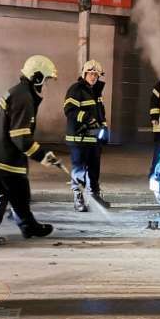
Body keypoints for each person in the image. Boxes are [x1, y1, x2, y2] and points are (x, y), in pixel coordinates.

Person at [0, 55, 61, 245]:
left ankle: (28, 226)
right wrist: (43, 156)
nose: (46, 85)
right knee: (4, 195)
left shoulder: (21, 92)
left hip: (1, 152)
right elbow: (20, 137)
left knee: (18, 191)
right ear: (37, 77)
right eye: (46, 80)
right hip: (1, 155)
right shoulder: (24, 97)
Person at [64, 59, 109, 212]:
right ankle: (78, 198)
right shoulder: (76, 89)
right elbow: (69, 110)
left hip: (94, 139)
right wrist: (87, 118)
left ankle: (94, 197)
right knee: (79, 170)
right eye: (91, 74)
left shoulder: (96, 92)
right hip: (79, 138)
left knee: (94, 170)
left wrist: (104, 127)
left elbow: (101, 113)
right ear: (84, 74)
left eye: (96, 75)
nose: (94, 77)